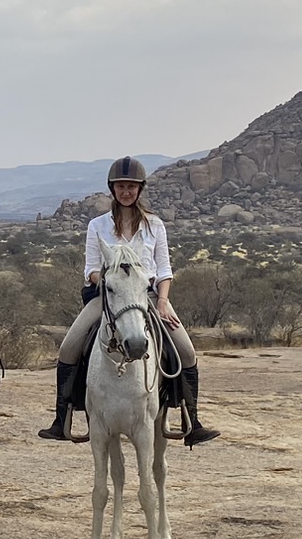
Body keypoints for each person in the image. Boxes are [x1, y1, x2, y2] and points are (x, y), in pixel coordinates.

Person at [36, 156, 218, 446]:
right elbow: (91, 270)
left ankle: (191, 420)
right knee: (68, 347)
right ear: (112, 188)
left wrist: (162, 301)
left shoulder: (155, 226)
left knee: (186, 350)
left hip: (148, 296)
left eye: (131, 186)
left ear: (140, 189)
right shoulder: (97, 226)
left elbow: (164, 270)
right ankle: (63, 418)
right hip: (107, 296)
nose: (126, 191)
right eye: (121, 186)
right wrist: (112, 285)